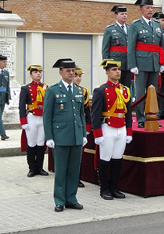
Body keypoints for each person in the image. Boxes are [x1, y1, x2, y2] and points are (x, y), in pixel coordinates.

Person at [43, 58, 87, 212]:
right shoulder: (53, 90)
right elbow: (47, 116)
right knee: (61, 171)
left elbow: (81, 114)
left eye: (73, 70)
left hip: (76, 136)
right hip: (60, 136)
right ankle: (59, 200)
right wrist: (49, 137)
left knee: (74, 170)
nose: (71, 73)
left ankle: (72, 199)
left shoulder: (79, 90)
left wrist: (83, 134)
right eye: (68, 71)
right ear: (60, 72)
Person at [91, 59, 132, 200]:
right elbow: (95, 114)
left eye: (119, 69)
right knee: (105, 159)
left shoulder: (125, 90)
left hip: (121, 128)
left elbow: (128, 112)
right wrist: (97, 133)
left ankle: (114, 188)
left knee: (117, 159)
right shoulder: (101, 90)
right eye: (114, 70)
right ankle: (104, 189)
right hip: (107, 127)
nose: (118, 72)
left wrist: (129, 131)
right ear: (107, 72)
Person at [127, 0, 164, 128]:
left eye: (151, 7)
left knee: (153, 92)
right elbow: (131, 46)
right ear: (141, 9)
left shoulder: (157, 24)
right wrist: (132, 64)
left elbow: (160, 45)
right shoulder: (135, 25)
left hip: (154, 62)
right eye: (147, 8)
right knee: (140, 93)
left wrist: (162, 62)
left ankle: (151, 116)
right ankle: (141, 118)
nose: (150, 10)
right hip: (141, 63)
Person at [19, 65, 48, 177]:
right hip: (31, 117)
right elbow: (21, 106)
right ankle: (32, 168)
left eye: (40, 72)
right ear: (31, 75)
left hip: (43, 117)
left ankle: (40, 167)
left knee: (41, 144)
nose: (39, 74)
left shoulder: (46, 87)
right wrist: (23, 121)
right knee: (31, 144)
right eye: (36, 72)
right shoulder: (26, 88)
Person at [73, 67, 92, 188]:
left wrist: (88, 126)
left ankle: (77, 178)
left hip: (80, 125)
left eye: (80, 76)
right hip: (69, 125)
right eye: (76, 75)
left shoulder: (84, 91)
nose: (78, 78)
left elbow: (86, 111)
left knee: (80, 154)